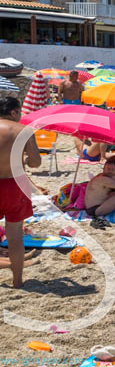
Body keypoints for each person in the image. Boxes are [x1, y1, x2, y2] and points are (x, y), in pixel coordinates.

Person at [0, 97, 42, 288]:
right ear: (14, 112)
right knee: (15, 235)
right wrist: (23, 159)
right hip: (14, 184)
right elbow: (35, 163)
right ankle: (17, 281)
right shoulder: (23, 131)